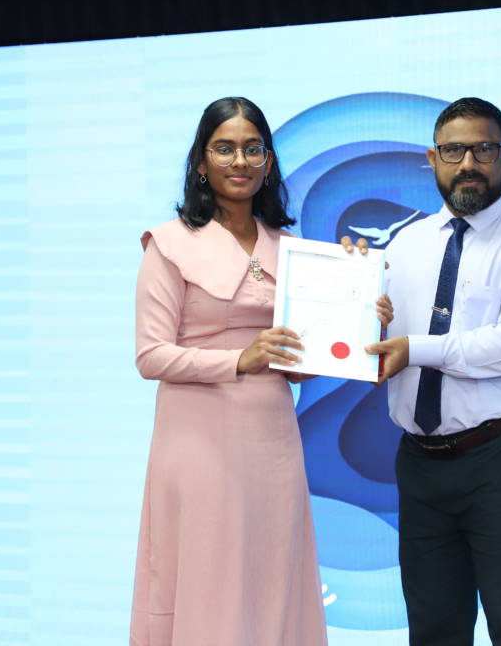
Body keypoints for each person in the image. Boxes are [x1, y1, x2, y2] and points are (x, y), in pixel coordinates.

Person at [130, 97, 393, 645]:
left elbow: (299, 363)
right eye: (224, 148)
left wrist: (362, 315)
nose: (240, 161)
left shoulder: (292, 248)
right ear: (200, 162)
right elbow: (151, 355)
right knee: (209, 576)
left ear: (268, 162)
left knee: (272, 576)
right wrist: (238, 359)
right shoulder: (169, 244)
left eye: (253, 149)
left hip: (272, 440)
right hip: (199, 443)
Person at [346, 97, 501, 645]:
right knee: (433, 631)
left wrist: (415, 349)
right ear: (433, 158)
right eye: (453, 151)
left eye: (483, 150)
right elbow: (378, 341)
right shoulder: (406, 243)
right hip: (420, 464)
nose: (468, 163)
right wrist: (347, 288)